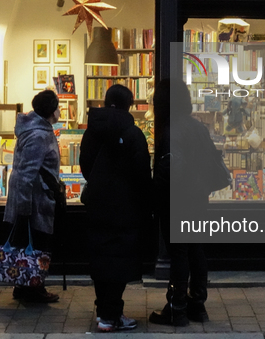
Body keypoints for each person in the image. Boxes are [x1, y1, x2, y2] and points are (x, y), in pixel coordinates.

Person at [80, 84, 152, 332]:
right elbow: (142, 172)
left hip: (97, 204)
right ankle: (112, 315)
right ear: (129, 105)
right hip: (126, 206)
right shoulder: (133, 134)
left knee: (101, 259)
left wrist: (99, 184)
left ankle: (105, 313)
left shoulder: (92, 131)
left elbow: (85, 165)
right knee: (119, 261)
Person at [149, 78, 215, 326]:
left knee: (178, 252)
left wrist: (156, 198)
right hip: (198, 199)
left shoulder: (171, 131)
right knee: (197, 249)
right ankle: (197, 305)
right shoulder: (199, 128)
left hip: (176, 200)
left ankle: (176, 308)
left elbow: (170, 171)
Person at [3, 89, 61, 303]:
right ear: (51, 110)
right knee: (36, 245)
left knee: (31, 244)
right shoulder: (39, 135)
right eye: (58, 106)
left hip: (35, 197)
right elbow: (27, 173)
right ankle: (32, 289)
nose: (60, 110)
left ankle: (27, 287)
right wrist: (25, 207)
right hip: (35, 200)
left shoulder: (37, 130)